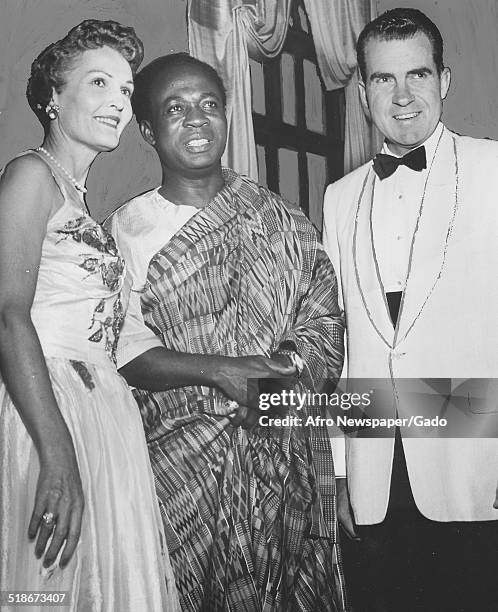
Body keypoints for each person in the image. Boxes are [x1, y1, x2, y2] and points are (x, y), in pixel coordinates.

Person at [106, 52, 348, 611]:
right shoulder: (124, 231)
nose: (196, 120)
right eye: (175, 109)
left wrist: (280, 377)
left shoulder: (281, 220)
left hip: (282, 455)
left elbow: (324, 319)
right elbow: (114, 346)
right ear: (147, 129)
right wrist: (219, 372)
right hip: (178, 468)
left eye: (209, 104)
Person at [323, 8, 498, 612]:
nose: (401, 96)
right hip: (377, 471)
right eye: (382, 79)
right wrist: (342, 470)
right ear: (363, 90)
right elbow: (340, 344)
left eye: (417, 75)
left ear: (443, 81)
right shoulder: (338, 199)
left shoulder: (494, 171)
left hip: (477, 457)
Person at [0, 20, 179, 611]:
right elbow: (7, 315)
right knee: (45, 590)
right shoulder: (30, 176)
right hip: (48, 409)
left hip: (103, 412)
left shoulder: (81, 200)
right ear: (54, 96)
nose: (118, 103)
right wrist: (56, 450)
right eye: (99, 83)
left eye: (126, 91)